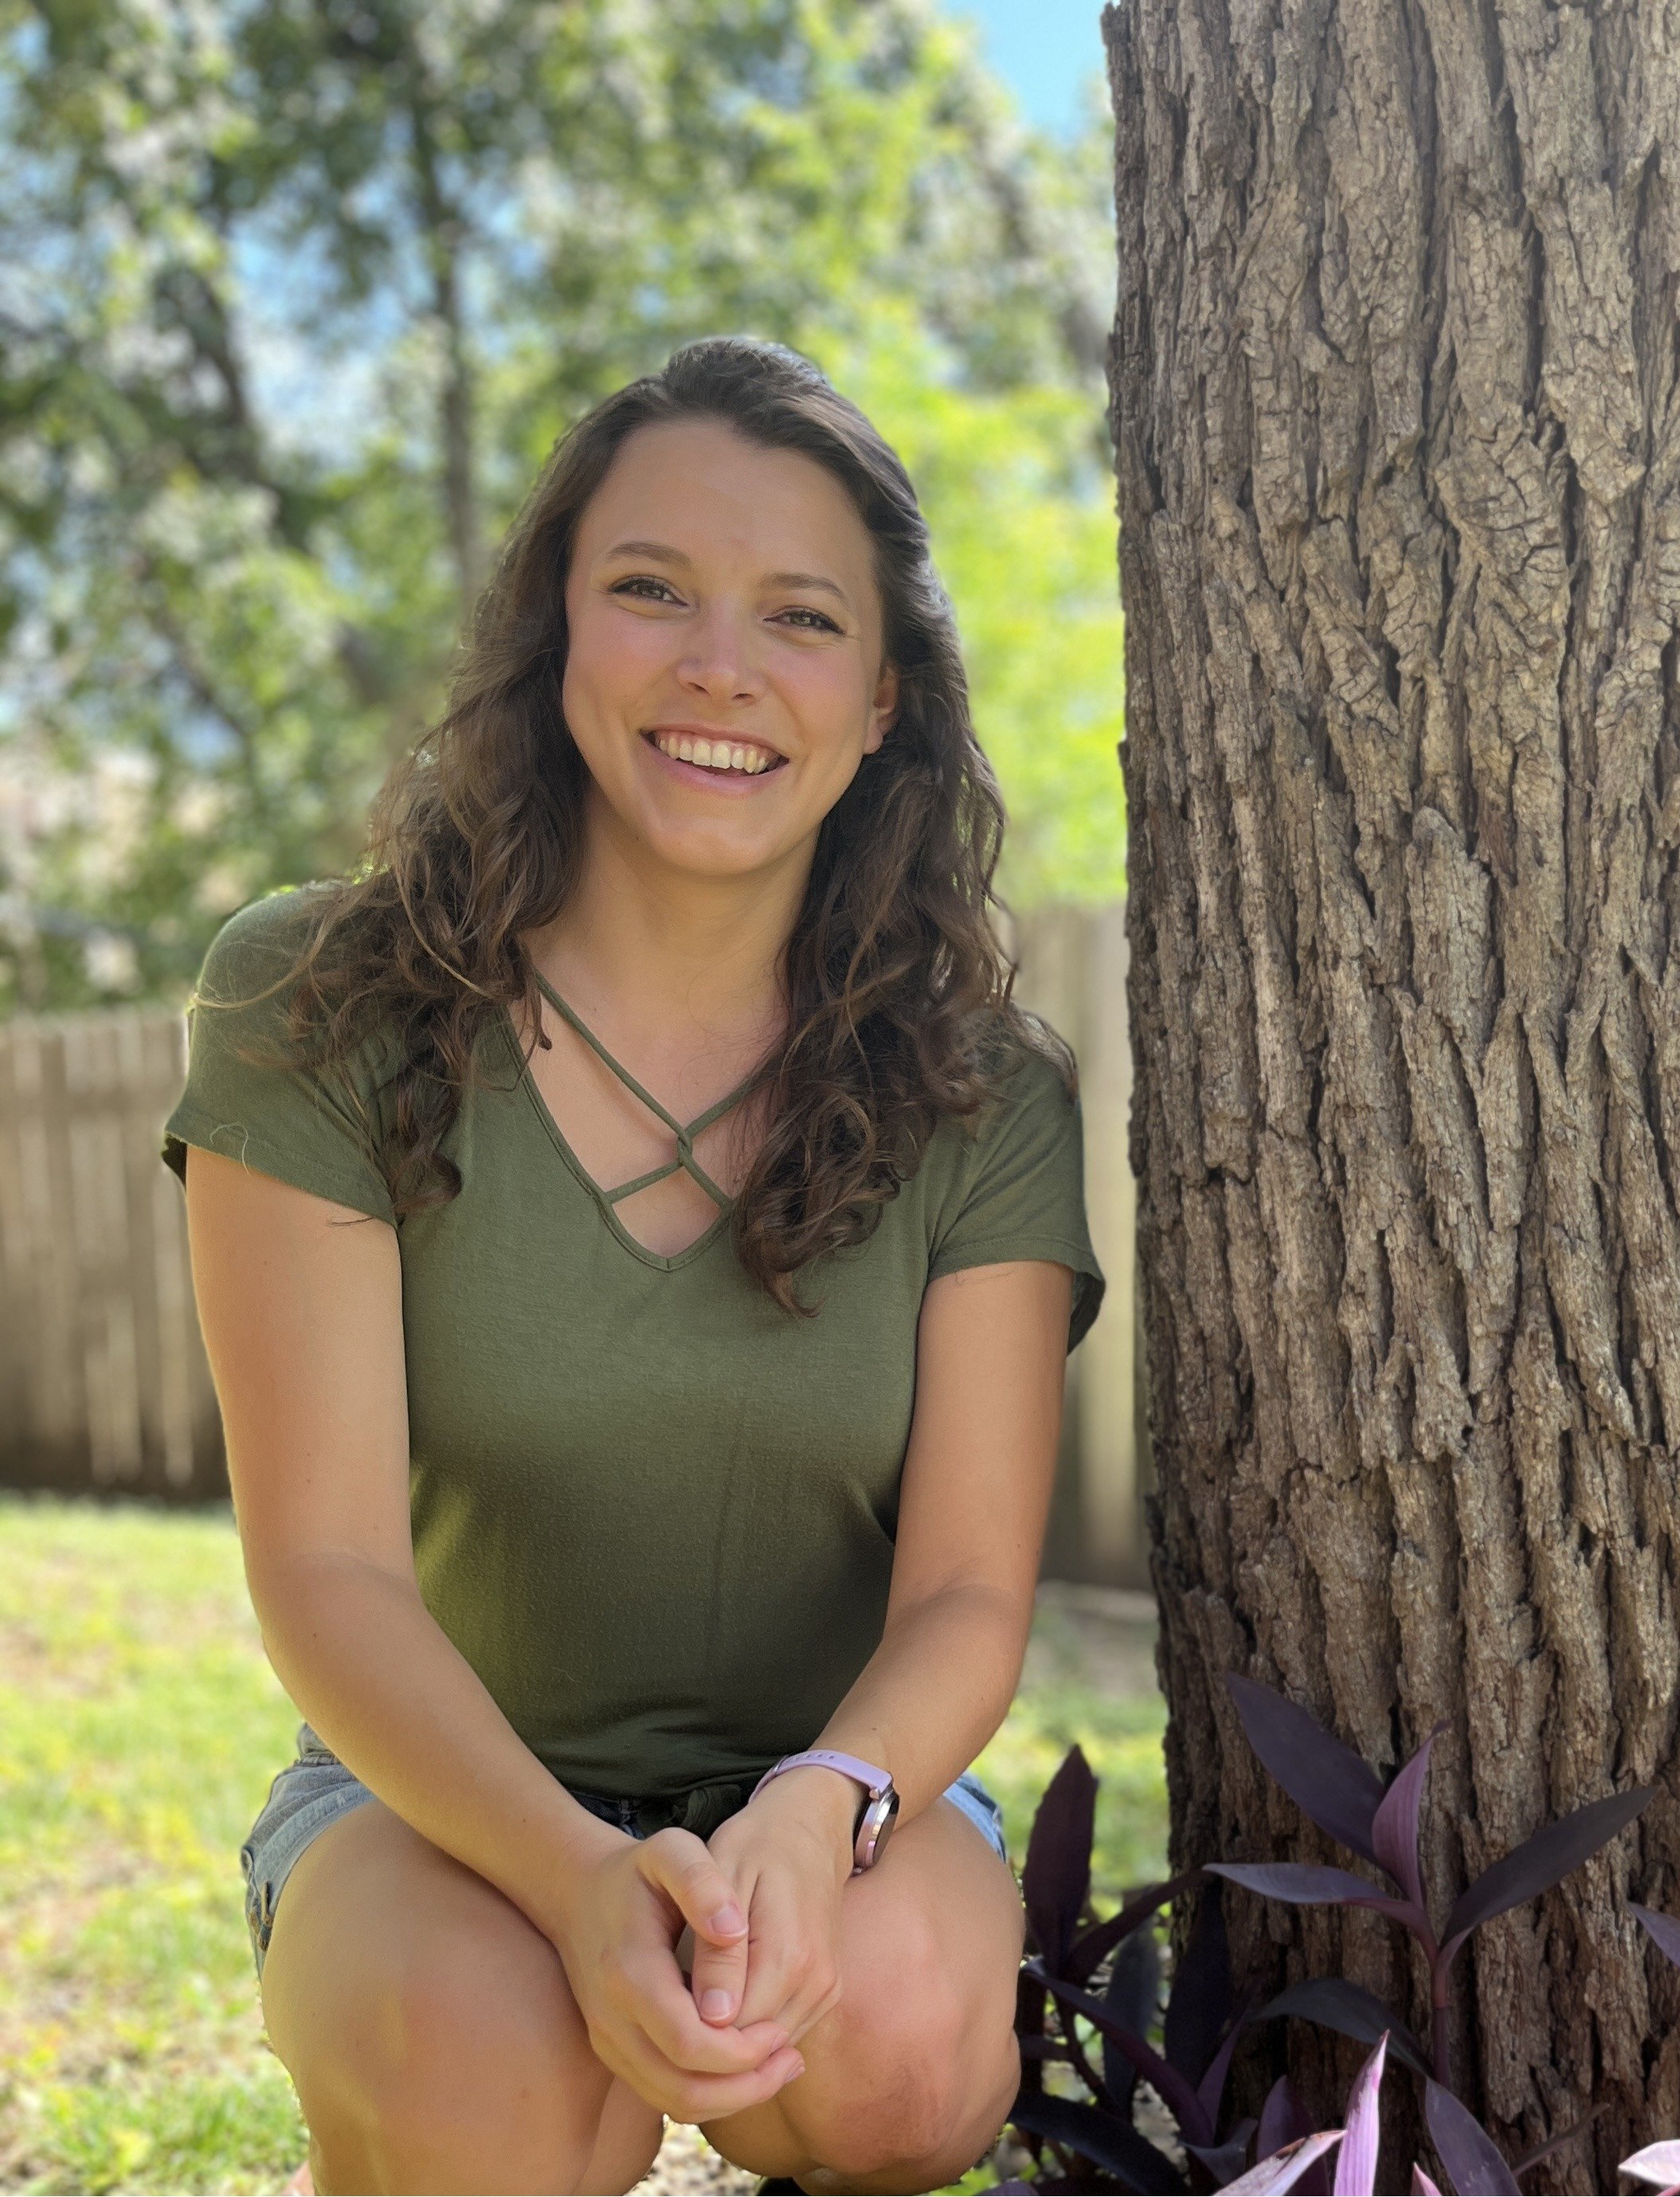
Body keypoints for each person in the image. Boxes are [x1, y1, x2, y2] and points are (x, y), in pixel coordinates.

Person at [160, 335, 1103, 2197]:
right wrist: (581, 1875)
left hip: (839, 1789)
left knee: (905, 2053)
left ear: (886, 697)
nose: (717, 667)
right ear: (556, 632)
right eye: (650, 589)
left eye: (799, 617)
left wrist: (813, 1813)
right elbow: (328, 1569)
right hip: (432, 1801)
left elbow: (966, 1602)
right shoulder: (315, 999)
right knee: (498, 2078)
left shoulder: (981, 1088)